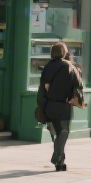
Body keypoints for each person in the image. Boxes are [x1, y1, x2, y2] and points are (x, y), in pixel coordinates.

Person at [37, 42, 82, 172]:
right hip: (63, 105)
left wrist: (41, 103)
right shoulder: (69, 67)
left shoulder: (47, 67)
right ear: (64, 52)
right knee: (63, 132)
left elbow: (42, 87)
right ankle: (56, 156)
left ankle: (60, 163)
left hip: (48, 105)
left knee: (55, 134)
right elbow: (77, 85)